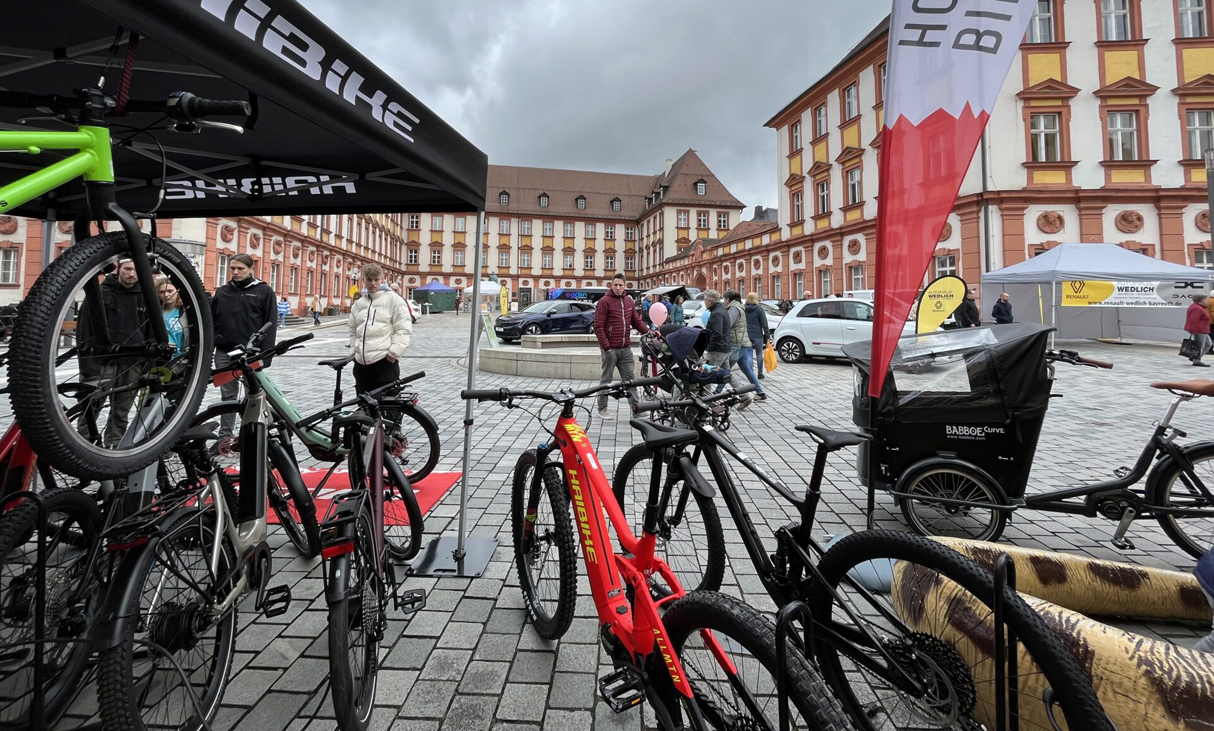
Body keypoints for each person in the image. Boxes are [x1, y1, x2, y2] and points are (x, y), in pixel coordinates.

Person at [76, 259, 150, 446]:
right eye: (127, 269)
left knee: (121, 411)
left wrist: (147, 362)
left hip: (132, 361)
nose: (131, 274)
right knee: (91, 408)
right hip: (103, 361)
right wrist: (87, 364)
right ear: (118, 269)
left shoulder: (146, 295)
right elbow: (85, 329)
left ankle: (114, 446)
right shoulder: (102, 293)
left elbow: (151, 330)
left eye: (135, 270)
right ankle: (82, 445)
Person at [212, 254, 278, 439]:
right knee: (228, 397)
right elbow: (213, 321)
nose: (235, 272)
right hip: (225, 352)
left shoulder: (263, 291)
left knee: (254, 395)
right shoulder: (223, 292)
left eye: (240, 268)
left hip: (251, 353)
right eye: (232, 268)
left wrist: (266, 356)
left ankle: (253, 435)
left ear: (251, 269)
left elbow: (270, 324)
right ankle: (224, 437)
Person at [348, 263, 413, 394]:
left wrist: (393, 354)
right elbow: (353, 330)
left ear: (382, 279)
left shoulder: (394, 300)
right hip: (361, 364)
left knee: (389, 408)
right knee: (365, 408)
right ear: (364, 280)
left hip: (384, 361)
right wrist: (354, 351)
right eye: (369, 280)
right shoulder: (359, 303)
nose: (372, 283)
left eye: (376, 279)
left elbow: (403, 329)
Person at [593, 273, 649, 417]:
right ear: (611, 285)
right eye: (615, 285)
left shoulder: (628, 301)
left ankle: (636, 410)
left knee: (630, 380)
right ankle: (602, 408)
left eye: (620, 285)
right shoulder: (604, 301)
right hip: (610, 349)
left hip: (625, 349)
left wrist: (648, 332)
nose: (618, 288)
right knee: (606, 379)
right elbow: (598, 326)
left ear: (625, 286)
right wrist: (606, 347)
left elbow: (636, 321)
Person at [723, 291, 761, 405]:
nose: (724, 301)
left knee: (724, 371)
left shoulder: (734, 309)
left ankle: (716, 393)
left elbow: (728, 323)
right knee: (746, 369)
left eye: (724, 299)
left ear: (728, 299)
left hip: (737, 343)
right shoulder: (739, 306)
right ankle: (760, 392)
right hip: (743, 341)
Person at [745, 293, 770, 383]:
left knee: (748, 354)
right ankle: (760, 373)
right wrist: (767, 334)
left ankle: (750, 373)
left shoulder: (744, 309)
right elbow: (764, 323)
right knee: (759, 353)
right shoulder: (759, 309)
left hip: (747, 334)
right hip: (757, 335)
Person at [158, 278, 186, 355]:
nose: (166, 295)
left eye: (170, 291)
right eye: (162, 292)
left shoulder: (185, 313)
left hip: (180, 359)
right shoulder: (155, 313)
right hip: (160, 357)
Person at [1185, 294, 1212, 367]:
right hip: (1199, 330)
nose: (1206, 301)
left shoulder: (1199, 307)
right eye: (1205, 299)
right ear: (1200, 300)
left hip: (1202, 329)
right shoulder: (1197, 308)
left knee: (1208, 344)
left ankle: (1195, 358)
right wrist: (1195, 331)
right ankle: (1196, 360)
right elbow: (1194, 321)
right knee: (1199, 345)